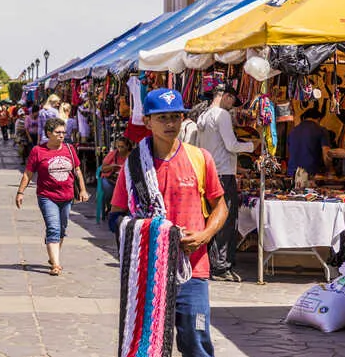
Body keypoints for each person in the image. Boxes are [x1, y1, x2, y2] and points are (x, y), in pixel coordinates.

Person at [109, 88, 227, 357]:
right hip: (149, 271)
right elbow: (116, 217)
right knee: (146, 345)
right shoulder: (134, 167)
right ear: (147, 121)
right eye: (162, 118)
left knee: (196, 343)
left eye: (175, 116)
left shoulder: (199, 158)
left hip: (192, 269)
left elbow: (221, 206)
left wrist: (204, 236)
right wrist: (154, 234)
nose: (170, 123)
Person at [197, 83, 256, 282]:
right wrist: (252, 145)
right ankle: (220, 266)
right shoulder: (221, 115)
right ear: (227, 96)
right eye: (232, 101)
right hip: (222, 174)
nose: (232, 106)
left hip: (209, 172)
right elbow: (231, 145)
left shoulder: (203, 115)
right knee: (225, 219)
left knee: (213, 218)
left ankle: (212, 262)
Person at [15, 117, 90, 275]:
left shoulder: (69, 149)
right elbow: (28, 173)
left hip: (67, 196)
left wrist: (83, 190)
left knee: (62, 229)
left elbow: (77, 171)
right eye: (58, 132)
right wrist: (20, 192)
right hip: (47, 196)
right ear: (48, 133)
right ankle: (56, 264)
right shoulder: (38, 151)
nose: (62, 135)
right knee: (54, 228)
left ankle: (53, 253)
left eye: (63, 132)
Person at [287, 107, 331, 177]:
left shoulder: (293, 131)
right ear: (318, 119)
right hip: (311, 175)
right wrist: (329, 170)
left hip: (292, 174)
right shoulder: (321, 130)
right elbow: (327, 155)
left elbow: (289, 154)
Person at [99, 137, 132, 218]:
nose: (120, 149)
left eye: (122, 147)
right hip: (110, 179)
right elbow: (103, 169)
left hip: (125, 180)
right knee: (108, 190)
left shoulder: (132, 156)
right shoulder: (113, 154)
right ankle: (110, 208)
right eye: (118, 146)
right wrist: (112, 167)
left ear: (127, 147)